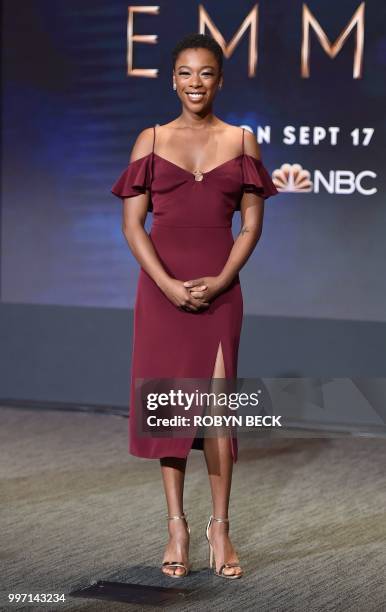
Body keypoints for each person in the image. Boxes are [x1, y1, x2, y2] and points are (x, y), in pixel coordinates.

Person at [111, 33, 278, 580]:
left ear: (220, 80)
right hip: (161, 292)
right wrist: (165, 283)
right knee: (170, 408)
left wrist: (224, 277)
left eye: (205, 73)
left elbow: (251, 224)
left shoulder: (242, 141)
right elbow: (133, 225)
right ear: (173, 79)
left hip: (221, 290)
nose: (195, 83)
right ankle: (177, 526)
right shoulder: (151, 140)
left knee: (215, 412)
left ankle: (221, 527)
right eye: (185, 73)